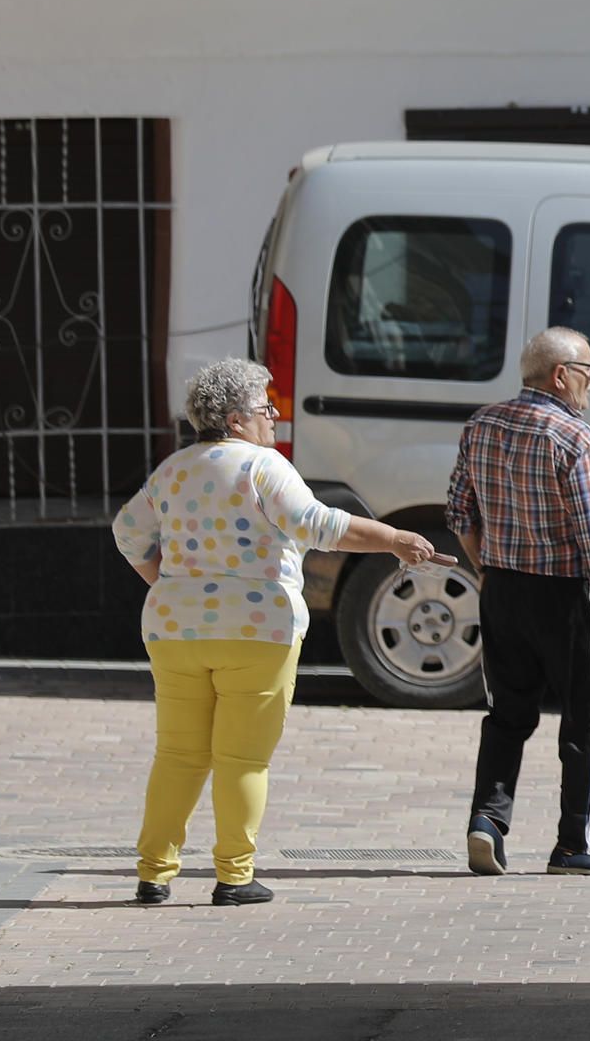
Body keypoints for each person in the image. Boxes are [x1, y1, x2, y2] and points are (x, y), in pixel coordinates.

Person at [112, 358, 447, 906]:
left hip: (175, 629)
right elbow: (318, 526)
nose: (274, 418)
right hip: (257, 629)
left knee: (178, 754)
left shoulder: (171, 470)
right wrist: (392, 537)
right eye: (268, 408)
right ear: (238, 419)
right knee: (242, 759)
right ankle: (234, 877)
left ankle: (154, 874)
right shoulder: (263, 467)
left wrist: (166, 582)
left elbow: (127, 533)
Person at [447, 327, 590, 878]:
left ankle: (487, 822)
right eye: (589, 372)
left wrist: (485, 569)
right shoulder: (574, 437)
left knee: (507, 715)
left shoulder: (482, 424)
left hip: (503, 590)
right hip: (566, 598)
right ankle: (575, 843)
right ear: (561, 375)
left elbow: (459, 512)